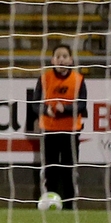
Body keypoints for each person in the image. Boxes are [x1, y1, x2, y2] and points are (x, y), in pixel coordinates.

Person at [32, 45, 88, 210]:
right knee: (50, 169)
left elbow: (83, 105)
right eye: (58, 56)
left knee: (69, 169)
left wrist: (66, 109)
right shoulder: (44, 78)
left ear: (70, 60)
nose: (61, 59)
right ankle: (50, 202)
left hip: (70, 131)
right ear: (52, 60)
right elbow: (35, 104)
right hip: (49, 130)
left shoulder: (78, 79)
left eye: (64, 56)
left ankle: (70, 205)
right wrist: (46, 110)